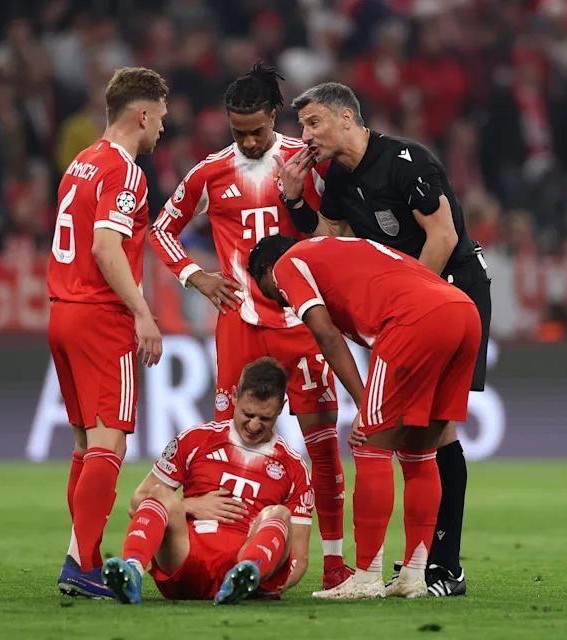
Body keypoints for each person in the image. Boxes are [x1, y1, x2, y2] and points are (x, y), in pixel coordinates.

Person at [277, 81, 491, 596]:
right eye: (302, 126)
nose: (305, 136)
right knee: (419, 438)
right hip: (411, 307)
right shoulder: (337, 178)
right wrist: (294, 198)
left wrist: (409, 307)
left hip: (449, 286)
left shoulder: (406, 161)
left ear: (347, 118)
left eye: (313, 123)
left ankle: (442, 565)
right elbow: (328, 245)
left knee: (435, 433)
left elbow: (443, 236)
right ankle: (423, 566)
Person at [148, 62, 352, 589]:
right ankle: (221, 558)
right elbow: (162, 229)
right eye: (239, 132)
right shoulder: (210, 171)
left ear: (274, 118)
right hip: (240, 326)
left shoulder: (306, 161)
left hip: (302, 321)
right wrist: (196, 276)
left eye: (257, 130)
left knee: (323, 446)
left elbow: (336, 226)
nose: (250, 141)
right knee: (231, 448)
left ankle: (334, 565)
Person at [248, 235, 480, 599]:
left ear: (266, 270)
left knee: (370, 444)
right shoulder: (337, 247)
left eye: (268, 291)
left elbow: (326, 336)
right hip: (463, 312)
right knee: (421, 452)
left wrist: (364, 402)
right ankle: (414, 576)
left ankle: (367, 577)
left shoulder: (287, 265)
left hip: (415, 318)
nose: (279, 301)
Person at [47, 67, 168, 598]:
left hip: (62, 311)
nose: (162, 127)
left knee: (84, 444)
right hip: (100, 316)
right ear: (141, 115)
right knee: (109, 442)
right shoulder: (125, 170)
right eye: (160, 117)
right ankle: (80, 563)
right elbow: (104, 245)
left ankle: (85, 559)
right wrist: (142, 312)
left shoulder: (80, 163)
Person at [102, 357, 313, 605]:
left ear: (281, 408)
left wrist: (271, 586)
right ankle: (132, 572)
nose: (254, 425)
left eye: (265, 418)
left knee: (279, 514)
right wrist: (189, 505)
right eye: (248, 414)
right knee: (159, 493)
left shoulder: (294, 467)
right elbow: (135, 503)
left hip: (243, 565)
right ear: (234, 396)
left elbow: (299, 558)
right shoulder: (196, 440)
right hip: (183, 559)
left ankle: (246, 575)